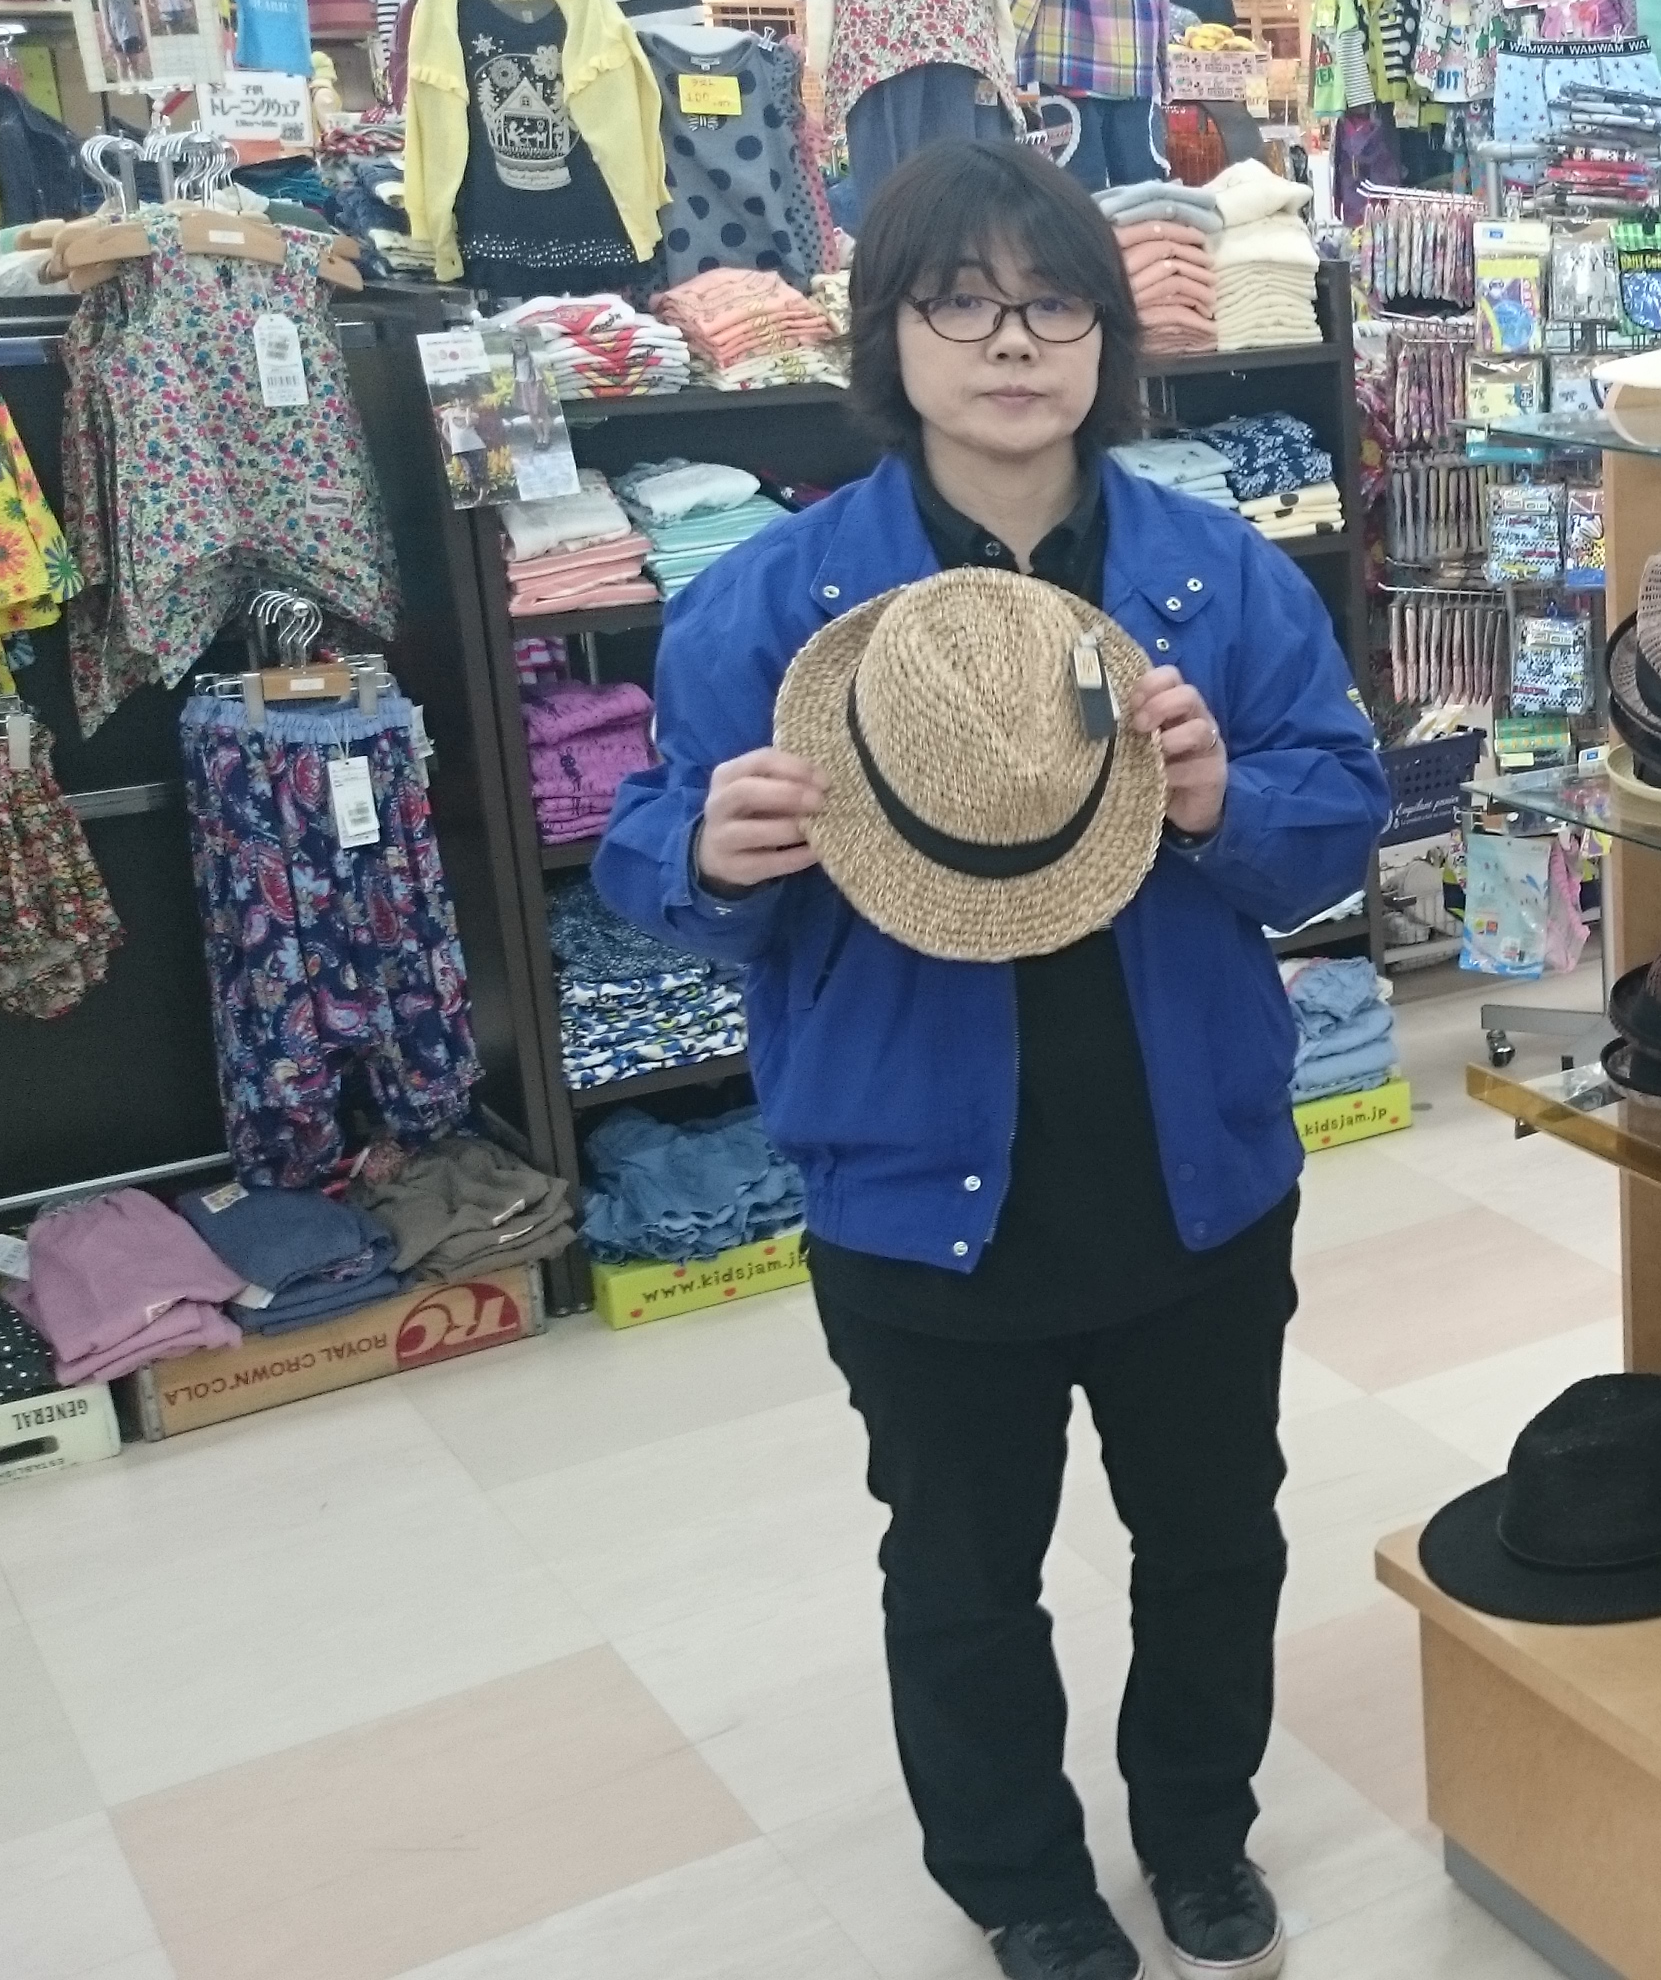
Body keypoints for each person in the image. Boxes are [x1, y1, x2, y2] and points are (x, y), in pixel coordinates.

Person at [599, 138, 1389, 1980]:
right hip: (913, 1179)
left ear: (1111, 336)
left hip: (1189, 1161)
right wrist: (704, 850)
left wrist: (1226, 798)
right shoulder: (772, 604)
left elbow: (1340, 811)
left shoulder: (1217, 577)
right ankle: (1021, 1878)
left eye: (1052, 306)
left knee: (1216, 1535)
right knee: (961, 1568)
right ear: (889, 337)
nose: (1013, 344)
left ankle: (1199, 1832)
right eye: (961, 306)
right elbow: (646, 848)